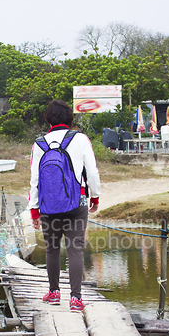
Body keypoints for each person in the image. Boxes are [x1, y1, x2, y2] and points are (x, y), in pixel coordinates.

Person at [28, 100, 100, 312]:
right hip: (76, 204)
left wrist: (34, 210)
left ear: (48, 119)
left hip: (48, 206)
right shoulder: (80, 139)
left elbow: (34, 179)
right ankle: (76, 299)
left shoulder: (38, 143)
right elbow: (92, 172)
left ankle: (54, 293)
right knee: (75, 250)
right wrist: (94, 197)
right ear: (70, 119)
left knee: (51, 250)